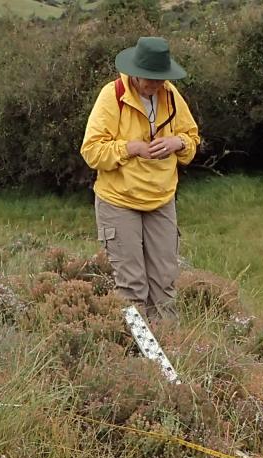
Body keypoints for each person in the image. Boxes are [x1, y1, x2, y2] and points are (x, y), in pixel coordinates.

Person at [80, 37, 200, 319]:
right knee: (132, 285)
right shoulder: (112, 96)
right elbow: (92, 151)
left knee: (165, 283)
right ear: (134, 72)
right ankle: (135, 356)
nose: (154, 86)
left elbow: (192, 138)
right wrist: (130, 148)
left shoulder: (171, 95)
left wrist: (177, 143)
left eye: (160, 79)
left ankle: (170, 350)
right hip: (118, 200)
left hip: (161, 199)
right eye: (149, 79)